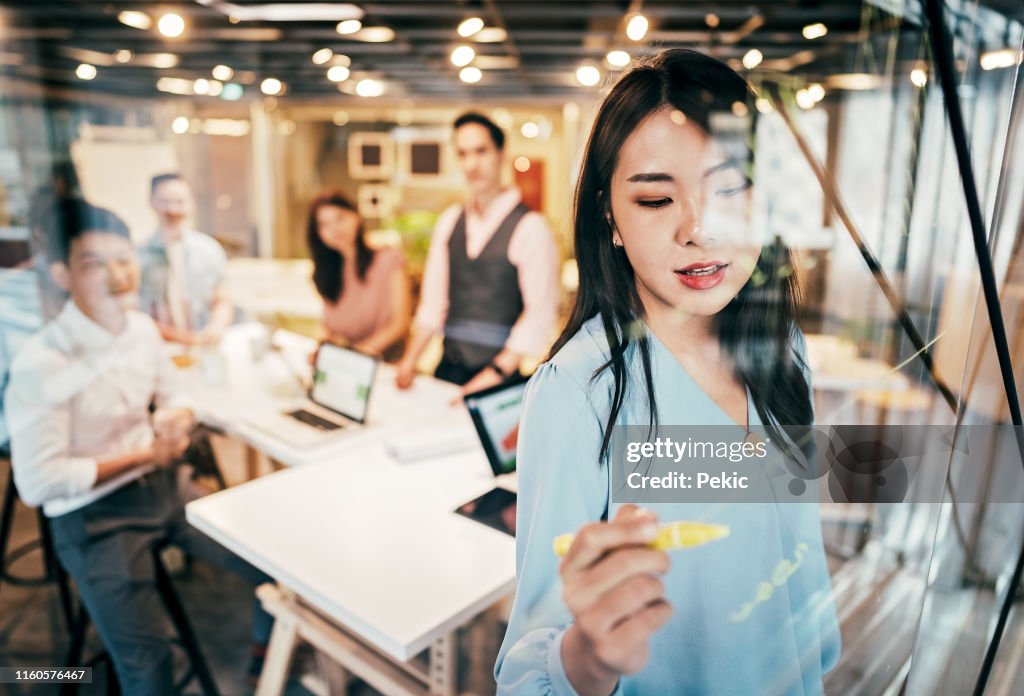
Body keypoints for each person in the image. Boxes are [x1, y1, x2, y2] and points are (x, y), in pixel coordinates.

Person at [494, 49, 840, 695]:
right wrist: (590, 656)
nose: (700, 230)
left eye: (730, 189)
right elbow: (527, 674)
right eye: (655, 199)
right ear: (610, 218)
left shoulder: (783, 349)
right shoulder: (580, 391)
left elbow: (798, 552)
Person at [5, 198, 272, 694]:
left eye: (124, 259)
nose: (118, 275)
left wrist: (176, 415)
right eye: (94, 264)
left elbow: (175, 391)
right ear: (62, 274)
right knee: (148, 668)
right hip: (93, 518)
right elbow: (38, 483)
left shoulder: (141, 329)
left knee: (273, 560)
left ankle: (271, 659)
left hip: (164, 490)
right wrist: (144, 455)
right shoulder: (43, 361)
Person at [395, 112, 560, 393]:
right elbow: (434, 303)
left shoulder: (531, 227)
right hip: (447, 368)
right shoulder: (450, 220)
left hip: (499, 379)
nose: (472, 164)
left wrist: (493, 374)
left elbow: (540, 316)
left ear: (502, 154)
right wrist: (409, 360)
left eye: (481, 151)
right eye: (463, 154)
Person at [308, 190, 411, 361]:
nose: (334, 229)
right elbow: (328, 325)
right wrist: (324, 347)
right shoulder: (328, 271)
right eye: (324, 224)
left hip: (387, 365)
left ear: (356, 216)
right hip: (349, 363)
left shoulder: (388, 259)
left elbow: (399, 324)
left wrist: (357, 355)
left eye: (340, 218)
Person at [138, 173, 234, 345]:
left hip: (204, 348)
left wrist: (216, 328)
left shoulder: (208, 250)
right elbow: (136, 316)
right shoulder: (138, 257)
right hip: (158, 350)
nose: (173, 210)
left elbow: (221, 300)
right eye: (165, 201)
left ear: (191, 204)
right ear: (151, 202)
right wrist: (185, 339)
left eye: (180, 202)